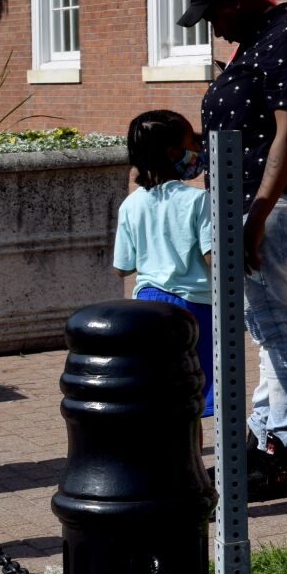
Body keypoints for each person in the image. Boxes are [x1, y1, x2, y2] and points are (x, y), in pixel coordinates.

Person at [180, 0, 287, 499]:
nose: (213, 29)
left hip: (269, 204)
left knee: (277, 326)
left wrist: (257, 215)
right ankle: (266, 441)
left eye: (212, 15)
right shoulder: (258, 41)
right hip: (243, 203)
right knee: (265, 327)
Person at [113, 109, 214, 418]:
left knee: (158, 394)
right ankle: (190, 465)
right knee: (192, 396)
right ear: (173, 151)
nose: (198, 147)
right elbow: (214, 257)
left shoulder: (131, 204)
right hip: (195, 308)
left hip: (147, 306)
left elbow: (122, 266)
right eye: (192, 140)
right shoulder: (199, 200)